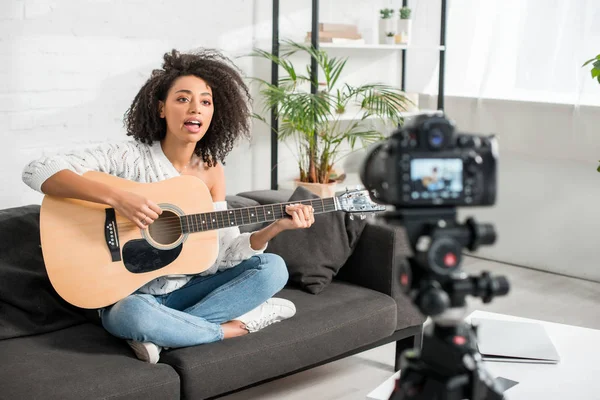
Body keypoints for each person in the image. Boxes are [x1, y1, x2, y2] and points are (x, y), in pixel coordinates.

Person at [22, 48, 315, 364]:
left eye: (205, 101)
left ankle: (168, 336)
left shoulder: (212, 169)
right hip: (133, 300)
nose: (196, 109)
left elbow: (221, 257)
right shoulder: (130, 157)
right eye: (183, 99)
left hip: (187, 293)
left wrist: (275, 227)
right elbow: (38, 170)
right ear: (161, 108)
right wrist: (117, 197)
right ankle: (235, 328)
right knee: (134, 316)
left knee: (272, 268)